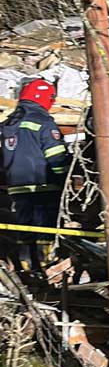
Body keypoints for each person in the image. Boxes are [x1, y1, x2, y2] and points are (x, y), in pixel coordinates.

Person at [0, 79, 68, 271]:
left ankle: (27, 269)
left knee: (25, 230)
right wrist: (65, 178)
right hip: (42, 184)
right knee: (45, 230)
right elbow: (56, 156)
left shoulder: (9, 123)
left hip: (17, 187)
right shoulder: (44, 122)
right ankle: (47, 269)